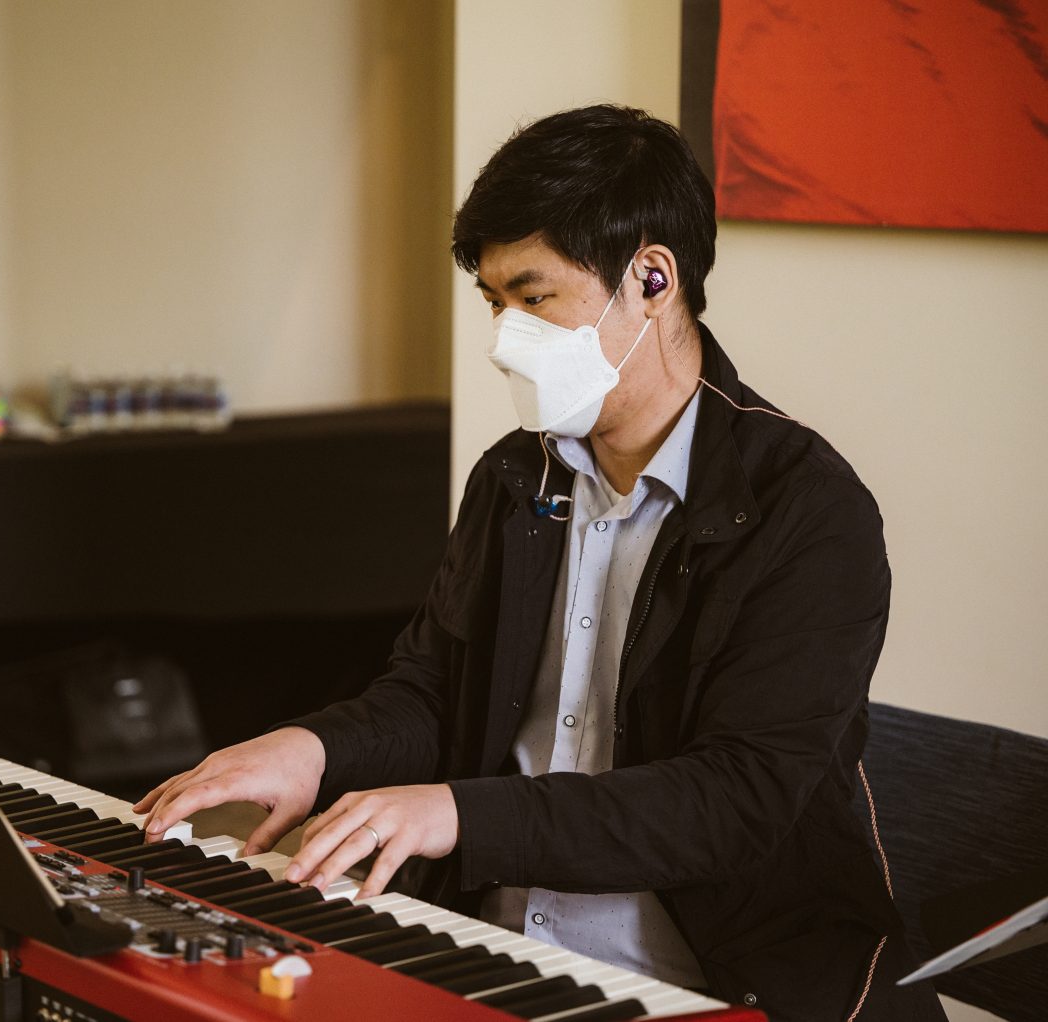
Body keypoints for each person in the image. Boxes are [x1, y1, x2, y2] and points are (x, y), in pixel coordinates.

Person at [135, 105, 944, 1021]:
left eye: (534, 296)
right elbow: (434, 694)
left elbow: (733, 802)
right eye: (495, 303)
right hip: (495, 953)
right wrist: (310, 749)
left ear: (652, 278)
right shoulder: (515, 477)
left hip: (705, 986)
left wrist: (458, 815)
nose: (504, 338)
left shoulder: (808, 510)